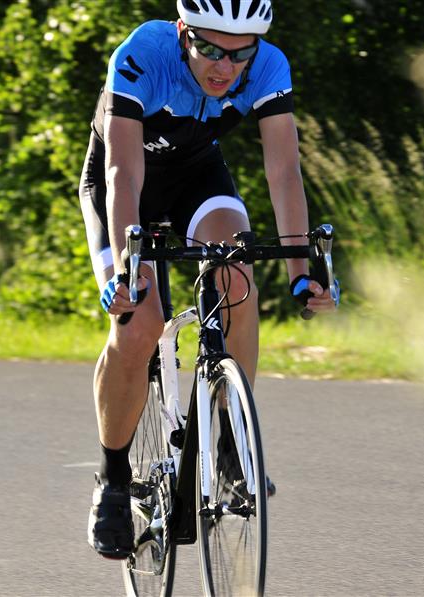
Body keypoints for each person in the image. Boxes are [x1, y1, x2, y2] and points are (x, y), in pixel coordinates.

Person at [78, 0, 337, 559]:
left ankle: (230, 445)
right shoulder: (143, 54)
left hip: (197, 175)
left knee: (236, 279)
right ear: (182, 33)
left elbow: (283, 170)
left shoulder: (270, 65)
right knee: (138, 325)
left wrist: (301, 273)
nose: (224, 67)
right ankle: (114, 480)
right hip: (122, 184)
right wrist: (128, 269)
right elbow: (122, 171)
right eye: (209, 49)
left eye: (240, 55)